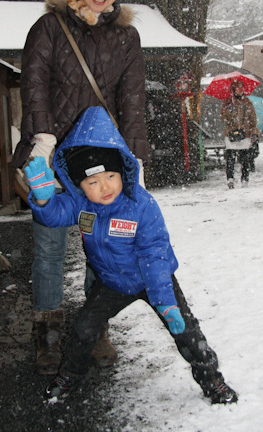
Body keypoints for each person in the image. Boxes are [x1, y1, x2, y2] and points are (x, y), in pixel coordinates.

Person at [24, 106, 238, 405]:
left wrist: (166, 304)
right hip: (111, 283)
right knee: (83, 329)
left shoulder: (141, 206)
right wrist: (44, 198)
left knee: (186, 332)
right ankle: (69, 376)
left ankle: (213, 382)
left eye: (110, 176)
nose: (104, 187)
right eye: (92, 182)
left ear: (122, 171)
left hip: (153, 280)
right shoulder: (83, 205)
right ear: (80, 186)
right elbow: (55, 216)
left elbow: (154, 255)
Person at [12, 0, 149, 374]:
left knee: (102, 248)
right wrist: (42, 139)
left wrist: (135, 163)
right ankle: (47, 334)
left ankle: (94, 327)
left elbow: (132, 103)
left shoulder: (127, 37)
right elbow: (33, 84)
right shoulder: (49, 27)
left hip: (101, 167)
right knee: (50, 249)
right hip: (50, 157)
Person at [220, 80, 259, 189]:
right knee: (230, 158)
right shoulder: (228, 102)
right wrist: (229, 111)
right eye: (238, 87)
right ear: (233, 89)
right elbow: (223, 118)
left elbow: (253, 120)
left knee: (245, 158)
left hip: (245, 134)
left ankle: (245, 179)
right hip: (231, 134)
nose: (240, 89)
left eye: (242, 87)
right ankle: (230, 178)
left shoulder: (248, 103)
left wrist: (254, 133)